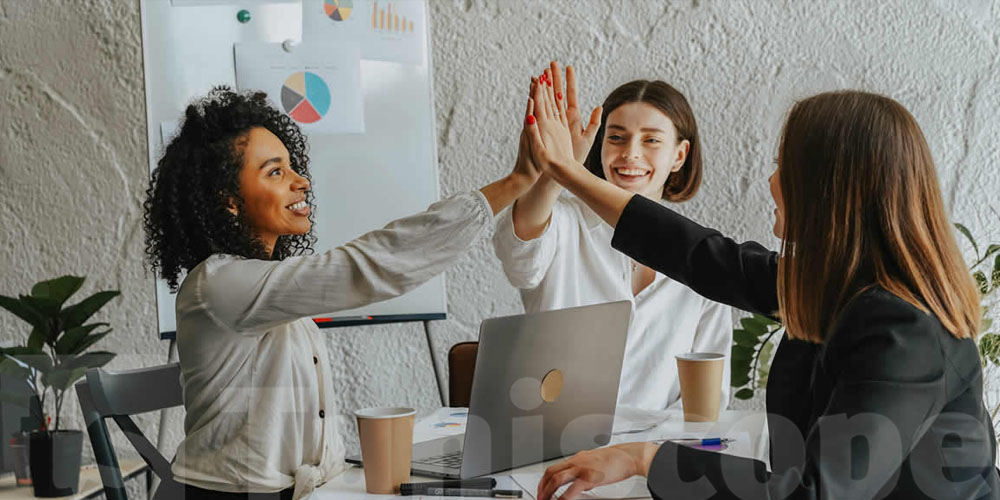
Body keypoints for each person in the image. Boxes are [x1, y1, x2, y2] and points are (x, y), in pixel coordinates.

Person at [524, 78, 998, 499]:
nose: (770, 181)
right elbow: (701, 255)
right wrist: (570, 173)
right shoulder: (835, 286)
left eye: (782, 166)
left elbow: (813, 493)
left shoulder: (903, 331)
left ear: (828, 191)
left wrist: (644, 459)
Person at [142, 86, 542, 500]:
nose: (302, 182)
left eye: (293, 166)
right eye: (275, 172)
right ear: (229, 201)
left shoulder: (267, 286)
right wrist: (516, 182)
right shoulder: (220, 284)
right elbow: (365, 266)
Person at [493, 63, 732, 410]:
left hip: (652, 454)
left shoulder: (703, 256)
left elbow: (707, 399)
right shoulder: (563, 222)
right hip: (554, 447)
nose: (630, 153)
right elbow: (518, 256)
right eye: (616, 137)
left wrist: (644, 456)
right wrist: (558, 169)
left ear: (679, 155)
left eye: (651, 140)